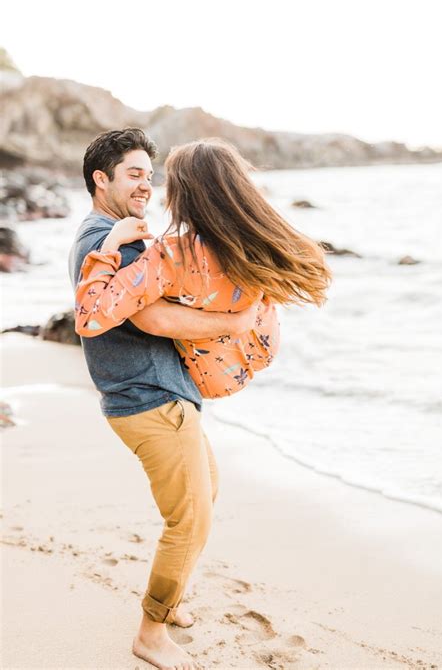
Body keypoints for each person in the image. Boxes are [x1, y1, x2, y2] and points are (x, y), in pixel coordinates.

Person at [69, 128, 263, 670]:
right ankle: (151, 633)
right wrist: (233, 319)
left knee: (207, 494)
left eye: (149, 177)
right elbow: (150, 315)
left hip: (161, 395)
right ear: (99, 179)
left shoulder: (117, 233)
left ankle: (170, 603)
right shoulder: (107, 239)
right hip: (148, 399)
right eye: (133, 175)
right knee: (191, 520)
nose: (144, 187)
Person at [74, 140, 331, 403]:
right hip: (250, 361)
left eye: (162, 181)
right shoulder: (251, 246)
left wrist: (111, 244)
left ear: (182, 193)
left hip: (196, 388)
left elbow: (90, 318)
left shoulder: (170, 257)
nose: (154, 188)